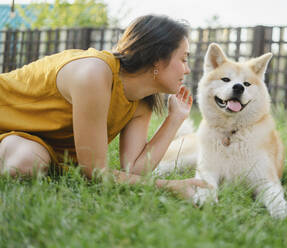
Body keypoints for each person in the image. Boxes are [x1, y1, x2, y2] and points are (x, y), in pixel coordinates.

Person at [0, 15, 210, 200]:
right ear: (156, 59)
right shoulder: (95, 72)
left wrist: (174, 119)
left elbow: (135, 170)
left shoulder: (141, 100)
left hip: (28, 139)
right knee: (24, 162)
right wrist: (169, 186)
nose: (188, 69)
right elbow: (95, 172)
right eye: (183, 59)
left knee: (28, 160)